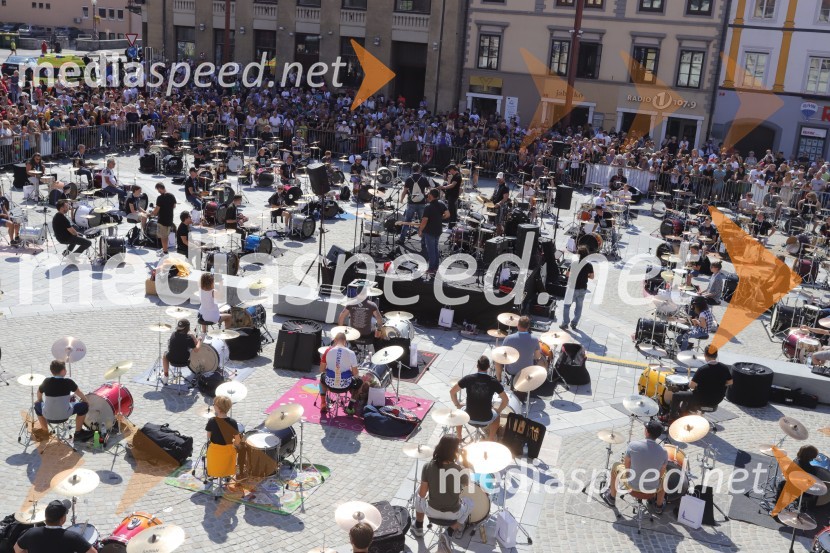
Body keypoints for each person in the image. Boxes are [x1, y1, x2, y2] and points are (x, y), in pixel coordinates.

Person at [412, 435, 474, 547]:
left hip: (431, 512)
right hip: (453, 514)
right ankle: (450, 531)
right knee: (470, 503)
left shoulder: (427, 466)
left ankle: (418, 526)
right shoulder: (459, 469)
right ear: (455, 451)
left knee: (418, 493)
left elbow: (422, 494)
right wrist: (464, 459)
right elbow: (467, 483)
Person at [601, 420, 668, 514]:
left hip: (632, 486)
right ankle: (659, 506)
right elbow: (660, 474)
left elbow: (627, 466)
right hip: (651, 489)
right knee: (665, 476)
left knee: (615, 466)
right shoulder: (664, 452)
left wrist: (629, 474)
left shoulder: (633, 445)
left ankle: (611, 498)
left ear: (647, 432)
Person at [450, 356, 508, 441]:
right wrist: (498, 411)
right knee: (497, 416)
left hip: (469, 418)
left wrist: (457, 405)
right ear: (488, 367)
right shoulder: (493, 382)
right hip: (486, 419)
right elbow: (506, 400)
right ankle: (491, 438)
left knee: (459, 411)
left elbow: (452, 392)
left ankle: (459, 437)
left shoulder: (468, 378)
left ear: (477, 366)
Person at [668, 344, 733, 420]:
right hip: (717, 399)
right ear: (716, 355)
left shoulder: (702, 369)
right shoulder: (724, 368)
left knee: (677, 395)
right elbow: (730, 382)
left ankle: (672, 418)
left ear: (705, 355)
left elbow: (691, 386)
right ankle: (685, 412)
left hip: (702, 399)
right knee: (690, 395)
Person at [13, 499, 96, 553]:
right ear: (63, 519)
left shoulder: (31, 533)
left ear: (45, 517)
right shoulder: (73, 537)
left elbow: (17, 549)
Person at [33, 360, 89, 439]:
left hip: (48, 414)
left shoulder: (46, 381)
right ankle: (78, 432)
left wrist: (40, 400)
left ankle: (45, 431)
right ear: (63, 371)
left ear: (51, 371)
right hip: (65, 414)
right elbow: (79, 392)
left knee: (37, 405)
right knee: (84, 406)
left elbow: (39, 392)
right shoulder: (68, 382)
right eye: (65, 369)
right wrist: (86, 401)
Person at [319, 332, 361, 415]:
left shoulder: (328, 351)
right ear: (345, 341)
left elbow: (321, 369)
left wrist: (331, 371)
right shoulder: (351, 353)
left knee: (321, 378)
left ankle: (323, 403)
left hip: (329, 383)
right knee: (359, 383)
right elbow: (355, 373)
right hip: (345, 385)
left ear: (335, 340)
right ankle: (350, 407)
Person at [496, 315, 541, 383]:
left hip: (512, 370)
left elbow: (503, 354)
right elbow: (537, 356)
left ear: (517, 325)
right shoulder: (535, 339)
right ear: (528, 327)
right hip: (527, 370)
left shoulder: (509, 338)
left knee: (497, 358)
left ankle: (498, 380)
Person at [205, 395, 241, 480]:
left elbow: (209, 436)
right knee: (231, 456)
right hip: (228, 451)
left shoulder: (212, 421)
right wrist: (234, 444)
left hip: (215, 451)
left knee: (212, 457)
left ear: (218, 408)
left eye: (214, 404)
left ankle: (214, 474)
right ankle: (226, 474)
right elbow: (238, 440)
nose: (213, 405)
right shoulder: (233, 422)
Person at [561, 245, 594, 331]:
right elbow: (592, 277)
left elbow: (567, 274)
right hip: (582, 289)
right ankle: (574, 323)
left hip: (572, 288)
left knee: (566, 306)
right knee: (579, 308)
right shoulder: (589, 265)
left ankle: (565, 323)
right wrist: (585, 275)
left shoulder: (574, 263)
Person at [397, 163, 430, 245]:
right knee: (422, 222)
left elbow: (404, 191)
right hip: (422, 203)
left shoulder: (409, 179)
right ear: (419, 169)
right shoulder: (423, 178)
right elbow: (430, 190)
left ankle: (402, 239)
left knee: (407, 221)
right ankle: (423, 242)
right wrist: (425, 196)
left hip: (411, 203)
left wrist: (401, 199)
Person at [162, 319, 201, 385]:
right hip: (185, 361)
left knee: (164, 355)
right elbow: (196, 349)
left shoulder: (173, 334)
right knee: (191, 350)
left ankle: (166, 376)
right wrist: (199, 340)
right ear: (187, 328)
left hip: (172, 359)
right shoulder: (188, 338)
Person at [419, 188, 448, 276]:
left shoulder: (428, 207)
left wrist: (420, 230)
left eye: (428, 194)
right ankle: (436, 267)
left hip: (430, 231)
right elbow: (448, 214)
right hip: (438, 230)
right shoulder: (441, 203)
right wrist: (439, 218)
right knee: (435, 248)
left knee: (431, 250)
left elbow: (424, 220)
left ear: (430, 196)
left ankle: (431, 268)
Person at [151, 183, 176, 255]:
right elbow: (174, 206)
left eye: (157, 190)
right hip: (170, 218)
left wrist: (151, 213)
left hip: (162, 219)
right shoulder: (171, 195)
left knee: (163, 237)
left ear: (159, 188)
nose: (158, 191)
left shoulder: (160, 198)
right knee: (166, 236)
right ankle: (165, 248)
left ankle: (165, 252)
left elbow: (156, 211)